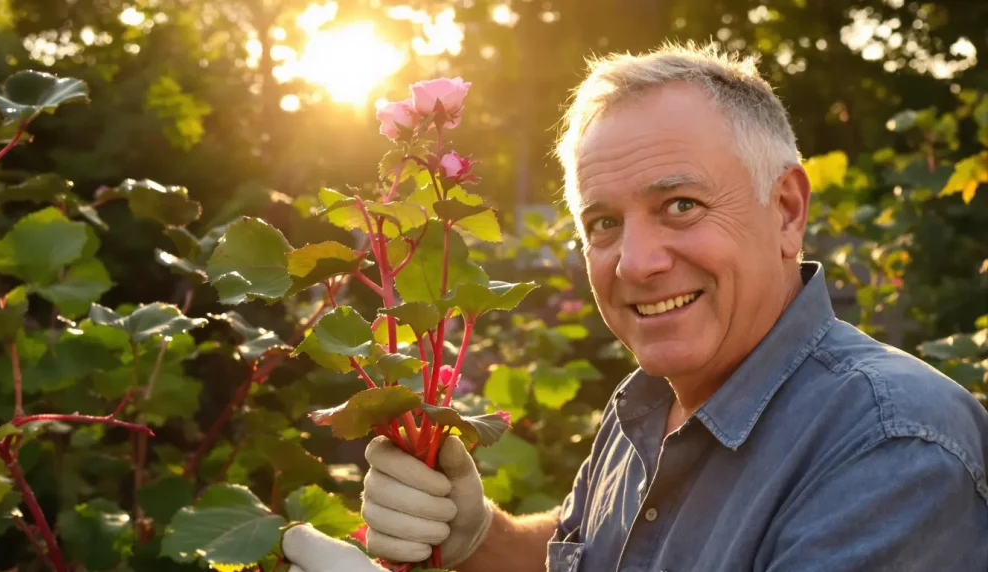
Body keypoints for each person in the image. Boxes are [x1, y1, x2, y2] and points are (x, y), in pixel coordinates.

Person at [282, 42, 988, 572]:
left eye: (680, 205)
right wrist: (480, 537)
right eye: (604, 224)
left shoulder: (892, 448)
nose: (635, 262)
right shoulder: (649, 408)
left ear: (786, 210)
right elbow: (595, 552)